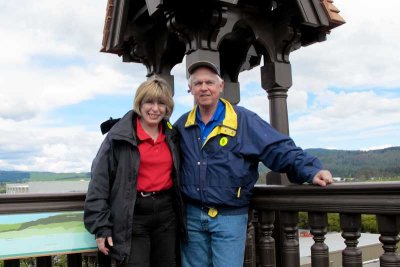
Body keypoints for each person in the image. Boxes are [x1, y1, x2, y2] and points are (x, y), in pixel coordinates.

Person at [173, 61, 333, 267]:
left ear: (221, 86)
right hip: (192, 216)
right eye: (197, 83)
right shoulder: (182, 126)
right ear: (190, 89)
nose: (204, 87)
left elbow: (278, 149)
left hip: (229, 217)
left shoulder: (244, 120)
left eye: (209, 82)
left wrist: (311, 170)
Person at [84, 76, 185, 267]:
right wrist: (101, 227)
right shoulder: (118, 137)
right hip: (133, 216)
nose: (155, 109)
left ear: (167, 108)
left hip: (166, 215)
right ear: (140, 103)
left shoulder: (172, 136)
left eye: (161, 103)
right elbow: (99, 182)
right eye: (149, 102)